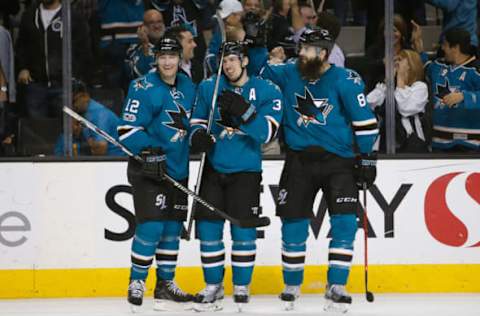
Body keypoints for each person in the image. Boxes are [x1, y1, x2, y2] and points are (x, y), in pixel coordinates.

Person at [251, 27, 378, 312]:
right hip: (298, 161)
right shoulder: (288, 73)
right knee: (293, 224)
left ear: (322, 53)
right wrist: (258, 47)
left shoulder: (346, 79)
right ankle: (292, 285)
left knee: (345, 223)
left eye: (307, 49)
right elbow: (257, 75)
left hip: (339, 163)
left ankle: (337, 285)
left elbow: (364, 122)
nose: (301, 53)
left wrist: (368, 157)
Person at [189, 41, 283, 311]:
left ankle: (241, 286)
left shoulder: (267, 89)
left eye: (233, 59)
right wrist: (199, 138)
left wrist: (245, 112)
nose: (228, 65)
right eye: (224, 60)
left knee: (243, 232)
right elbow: (196, 121)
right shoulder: (209, 87)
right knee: (208, 231)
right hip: (212, 169)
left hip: (246, 171)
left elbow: (267, 133)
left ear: (244, 61)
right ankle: (213, 286)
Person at [117, 35, 197, 311]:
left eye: (172, 56)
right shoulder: (141, 87)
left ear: (179, 58)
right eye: (162, 57)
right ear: (156, 59)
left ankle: (165, 284)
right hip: (149, 170)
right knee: (151, 226)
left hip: (178, 169)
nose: (167, 62)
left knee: (173, 229)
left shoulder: (189, 86)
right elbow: (126, 131)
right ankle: (136, 280)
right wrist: (149, 151)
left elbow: (196, 124)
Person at [16, 0, 92, 118]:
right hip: (36, 85)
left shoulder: (73, 16)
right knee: (37, 131)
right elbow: (21, 46)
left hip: (65, 86)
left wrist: (74, 75)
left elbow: (83, 50)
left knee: (65, 130)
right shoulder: (29, 16)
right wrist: (23, 68)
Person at [425, 27, 480, 152]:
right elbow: (418, 64)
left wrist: (463, 96)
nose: (442, 48)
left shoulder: (476, 70)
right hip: (439, 142)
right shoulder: (437, 66)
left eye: (445, 45)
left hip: (471, 144)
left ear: (455, 47)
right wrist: (418, 45)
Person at [367, 49, 430, 153]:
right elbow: (369, 103)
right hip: (385, 145)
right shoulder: (389, 87)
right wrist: (388, 80)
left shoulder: (420, 87)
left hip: (411, 146)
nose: (396, 63)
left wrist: (400, 78)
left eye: (400, 60)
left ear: (410, 65)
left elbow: (405, 108)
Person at [70, 79, 125, 156]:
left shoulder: (99, 114)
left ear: (85, 96)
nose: (73, 106)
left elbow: (101, 149)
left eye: (74, 101)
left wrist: (89, 142)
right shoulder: (83, 113)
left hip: (116, 161)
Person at [125, 9, 166, 80]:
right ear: (143, 27)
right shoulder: (133, 50)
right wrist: (145, 45)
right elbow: (143, 73)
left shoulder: (170, 45)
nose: (156, 26)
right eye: (151, 23)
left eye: (159, 22)